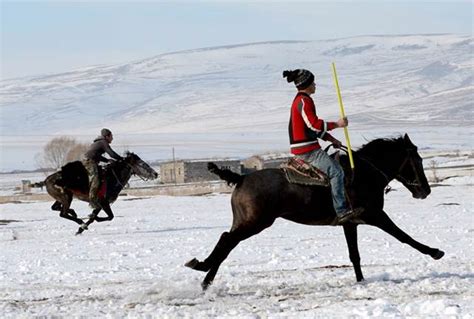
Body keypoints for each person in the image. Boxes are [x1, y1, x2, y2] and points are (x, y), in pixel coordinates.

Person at [284, 69, 362, 224]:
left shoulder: (300, 101)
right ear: (306, 85)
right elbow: (314, 125)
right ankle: (341, 211)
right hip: (308, 151)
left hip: (306, 146)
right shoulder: (304, 101)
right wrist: (338, 124)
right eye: (312, 82)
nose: (315, 85)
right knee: (337, 172)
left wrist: (332, 139)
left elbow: (311, 130)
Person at [82, 128, 123, 209]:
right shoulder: (103, 142)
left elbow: (97, 155)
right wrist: (122, 159)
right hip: (89, 162)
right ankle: (93, 199)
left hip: (90, 161)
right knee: (96, 178)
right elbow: (112, 154)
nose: (112, 138)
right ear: (107, 136)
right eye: (111, 136)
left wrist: (107, 160)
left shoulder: (99, 142)